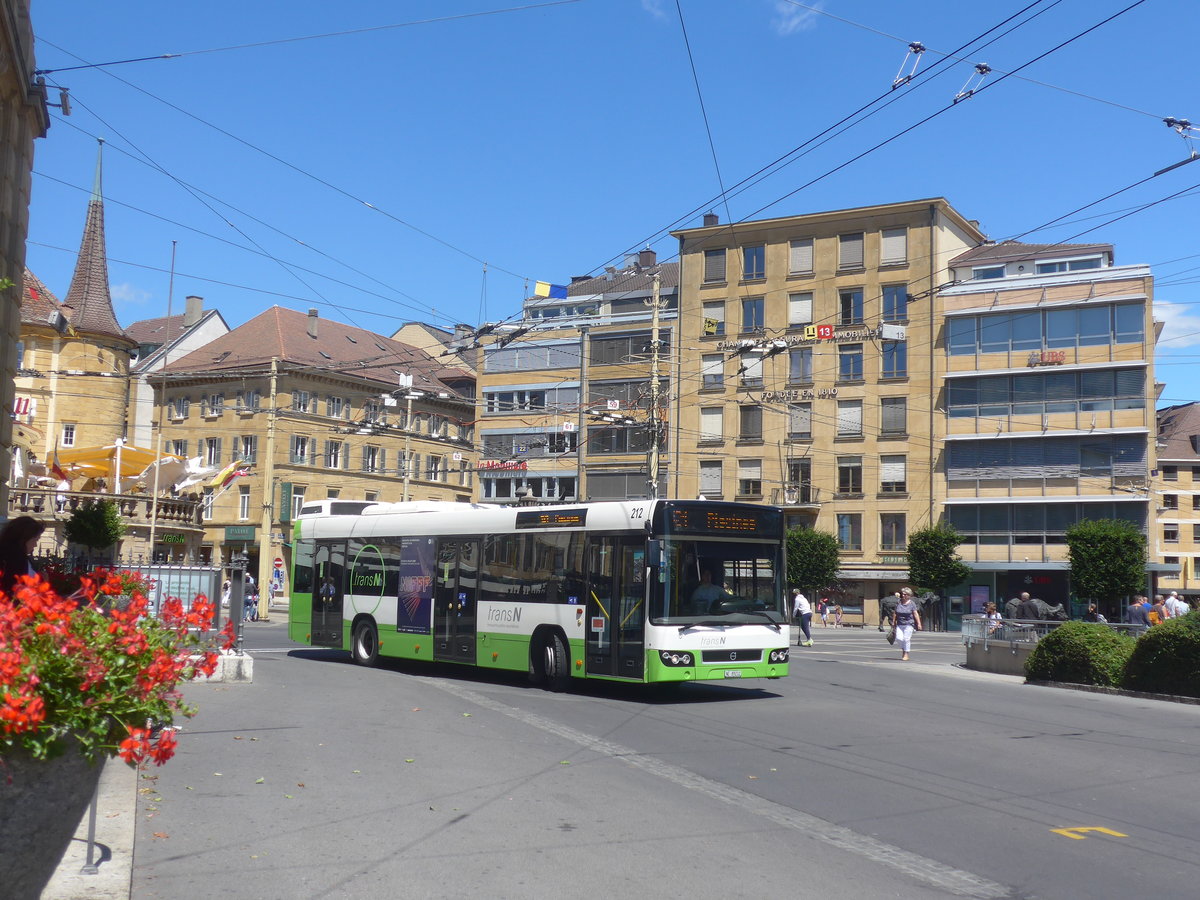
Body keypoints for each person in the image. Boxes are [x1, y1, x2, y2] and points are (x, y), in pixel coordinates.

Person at [0, 515, 45, 599]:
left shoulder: (17, 556)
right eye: (35, 540)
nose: (35, 545)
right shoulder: (16, 560)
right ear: (25, 538)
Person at [891, 587, 922, 661]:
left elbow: (915, 613)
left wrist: (919, 624)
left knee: (906, 639)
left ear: (909, 595)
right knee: (899, 638)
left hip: (909, 624)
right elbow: (895, 612)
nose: (903, 595)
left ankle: (906, 654)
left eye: (905, 594)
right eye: (903, 594)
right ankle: (904, 649)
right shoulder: (899, 602)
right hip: (900, 623)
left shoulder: (912, 603)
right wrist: (893, 621)